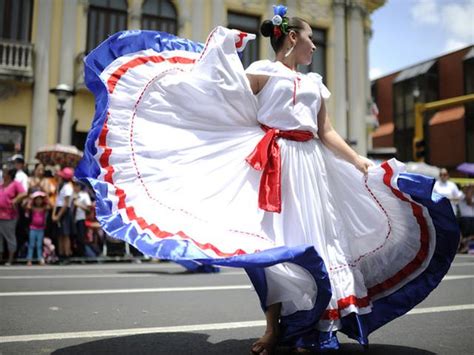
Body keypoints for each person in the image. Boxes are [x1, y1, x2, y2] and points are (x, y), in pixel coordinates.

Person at [76, 5, 460, 353]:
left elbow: (325, 132)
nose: (313, 47)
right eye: (310, 39)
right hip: (274, 168)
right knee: (275, 248)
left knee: (322, 240)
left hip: (314, 167)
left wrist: (358, 160)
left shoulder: (314, 84)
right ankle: (274, 329)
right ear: (292, 37)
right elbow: (224, 101)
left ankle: (322, 326)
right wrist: (220, 55)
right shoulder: (261, 72)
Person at [0, 167, 27, 265]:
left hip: (9, 216)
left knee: (9, 237)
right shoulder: (1, 185)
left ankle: (10, 259)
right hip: (0, 215)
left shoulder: (15, 184)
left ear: (9, 174)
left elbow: (24, 193)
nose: (3, 174)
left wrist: (15, 200)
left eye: (5, 172)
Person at [52, 167, 74, 260]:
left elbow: (65, 204)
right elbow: (57, 202)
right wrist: (54, 214)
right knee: (60, 234)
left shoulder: (68, 187)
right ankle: (60, 254)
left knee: (65, 234)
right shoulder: (60, 187)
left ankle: (66, 254)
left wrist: (58, 216)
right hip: (59, 209)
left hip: (64, 212)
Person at [25, 191, 50, 265]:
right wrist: (30, 199)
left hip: (41, 229)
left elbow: (50, 206)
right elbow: (27, 207)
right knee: (31, 244)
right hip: (33, 228)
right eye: (37, 199)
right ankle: (29, 259)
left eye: (40, 199)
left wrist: (46, 198)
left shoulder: (44, 208)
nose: (38, 201)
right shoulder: (32, 208)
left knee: (39, 245)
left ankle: (40, 259)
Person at [72, 179, 92, 257]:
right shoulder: (72, 194)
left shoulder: (84, 195)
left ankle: (83, 255)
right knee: (74, 238)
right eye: (74, 185)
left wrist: (79, 205)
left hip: (81, 218)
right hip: (73, 219)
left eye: (77, 185)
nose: (75, 187)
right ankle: (76, 254)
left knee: (81, 238)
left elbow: (89, 209)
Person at [458, 184, 474, 253]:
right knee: (464, 233)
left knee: (470, 234)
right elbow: (468, 201)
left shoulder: (472, 196)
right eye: (468, 188)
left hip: (472, 218)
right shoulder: (461, 195)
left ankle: (465, 244)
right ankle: (463, 245)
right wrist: (469, 190)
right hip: (465, 218)